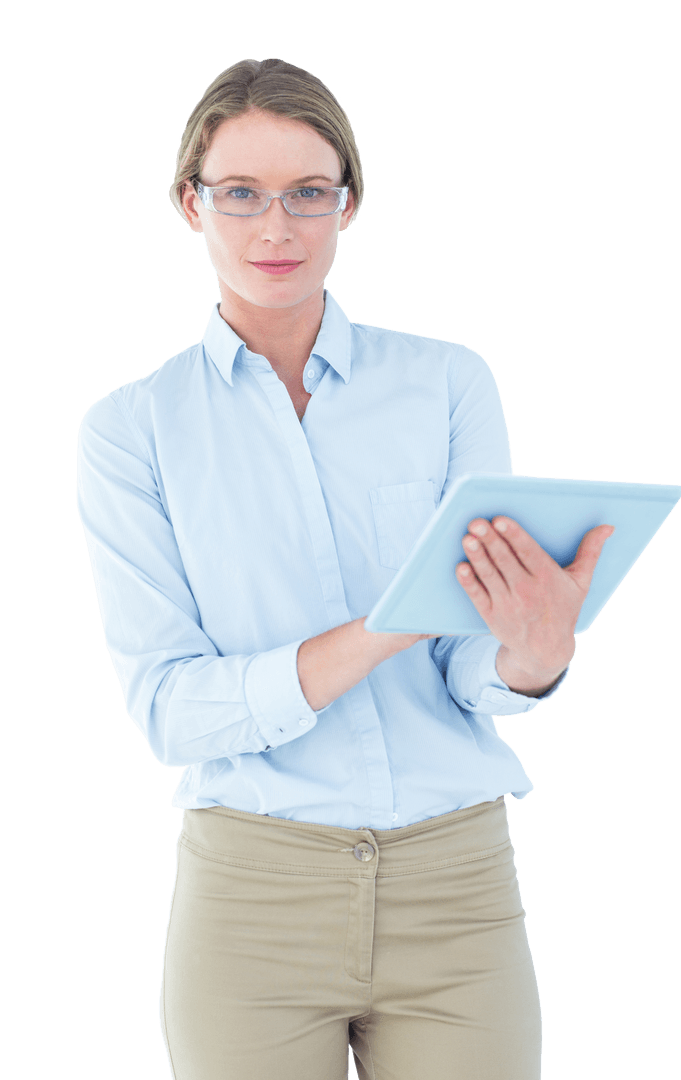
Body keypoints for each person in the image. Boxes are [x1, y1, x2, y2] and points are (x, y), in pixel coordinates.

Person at [76, 58, 612, 1080]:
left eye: (308, 193)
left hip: (458, 888)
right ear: (191, 203)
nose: (275, 227)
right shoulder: (131, 431)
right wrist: (382, 630)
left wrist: (536, 655)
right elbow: (170, 712)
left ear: (348, 203)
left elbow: (470, 668)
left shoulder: (447, 382)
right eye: (241, 193)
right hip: (252, 897)